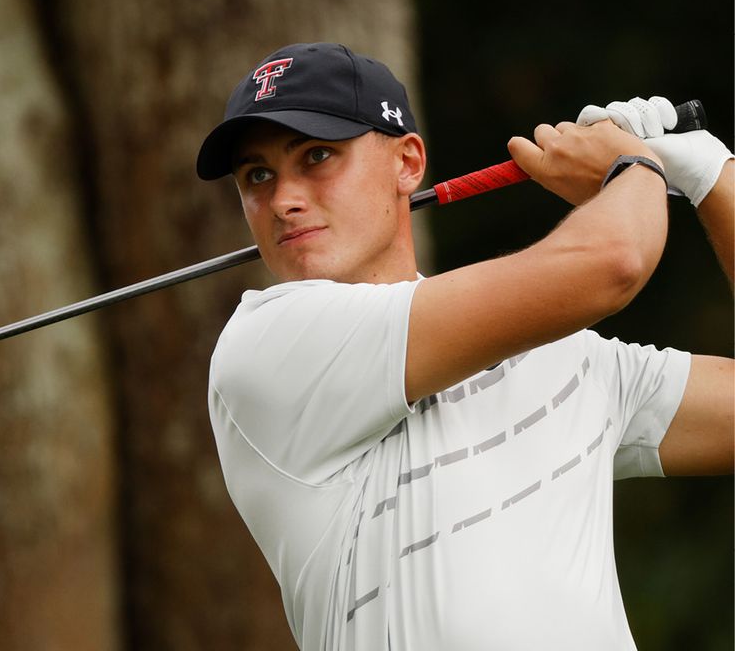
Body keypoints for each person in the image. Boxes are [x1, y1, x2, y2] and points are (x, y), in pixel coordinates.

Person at [195, 42, 732, 650]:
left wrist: (714, 176)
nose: (284, 200)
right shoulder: (267, 344)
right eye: (257, 175)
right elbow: (614, 262)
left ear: (408, 161)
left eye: (316, 156)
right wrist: (634, 167)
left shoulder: (574, 360)